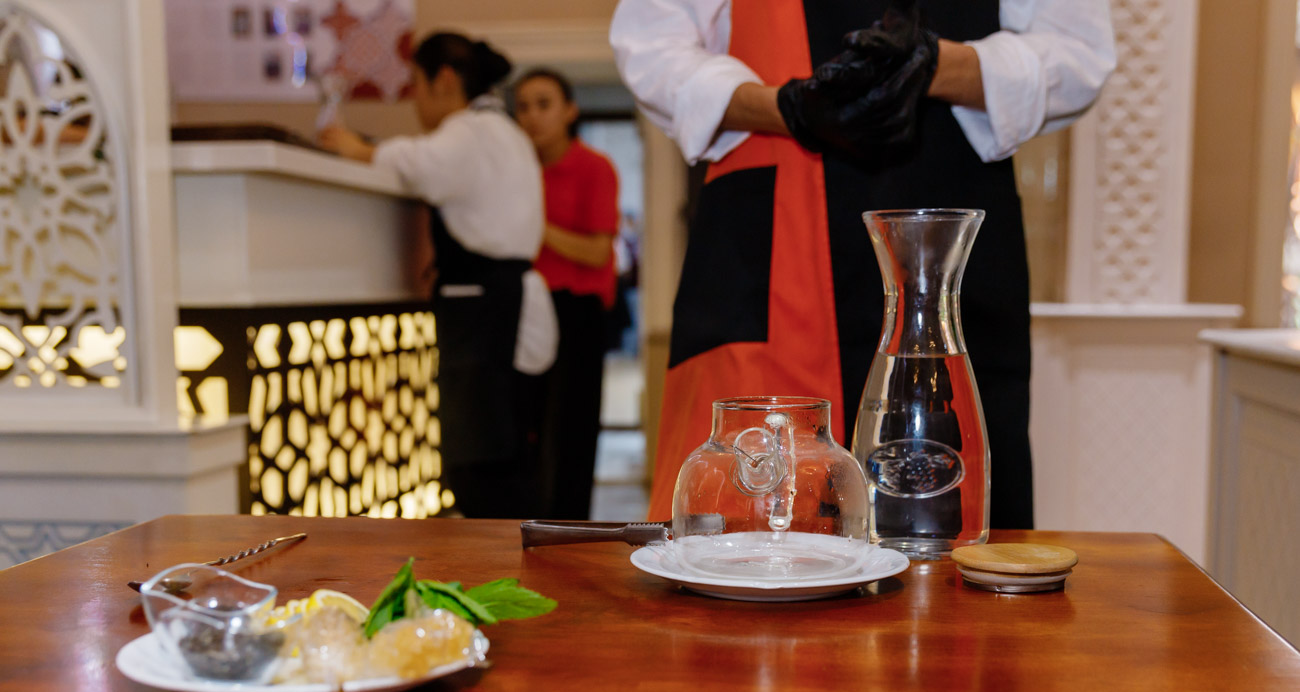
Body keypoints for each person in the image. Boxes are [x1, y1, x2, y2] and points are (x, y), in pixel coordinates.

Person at [610, 0, 1115, 526]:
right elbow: (652, 46)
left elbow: (1079, 52)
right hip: (773, 229)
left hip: (949, 232)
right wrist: (786, 107)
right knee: (753, 521)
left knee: (952, 530)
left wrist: (936, 66)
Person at [320, 32, 555, 518]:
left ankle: (506, 558)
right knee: (502, 450)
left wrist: (353, 147)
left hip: (482, 307)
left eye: (416, 86)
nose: (416, 102)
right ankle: (522, 553)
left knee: (479, 459)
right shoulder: (505, 131)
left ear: (444, 80)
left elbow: (418, 165)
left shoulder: (469, 131)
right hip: (501, 301)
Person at [513, 68, 620, 519]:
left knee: (573, 428)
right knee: (526, 426)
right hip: (526, 305)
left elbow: (597, 252)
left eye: (543, 104)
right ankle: (530, 525)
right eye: (523, 107)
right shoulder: (516, 171)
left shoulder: (594, 167)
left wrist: (535, 226)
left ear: (569, 111)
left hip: (577, 309)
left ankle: (570, 529)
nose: (532, 116)